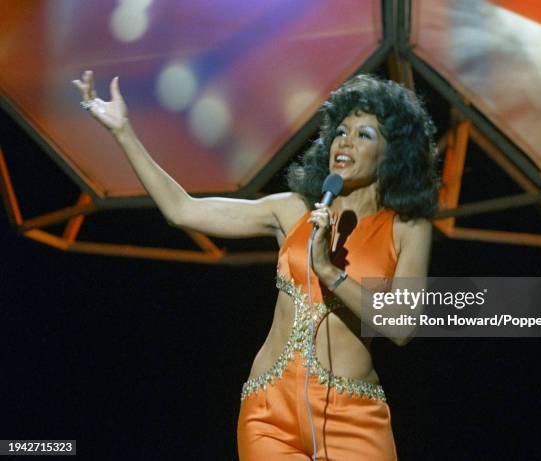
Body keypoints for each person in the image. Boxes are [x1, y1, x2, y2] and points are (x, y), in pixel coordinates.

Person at [73, 71, 439, 460]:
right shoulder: (293, 209)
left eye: (364, 134)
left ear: (393, 153)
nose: (345, 142)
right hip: (270, 417)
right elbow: (183, 211)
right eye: (341, 131)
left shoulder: (407, 228)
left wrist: (329, 271)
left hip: (354, 420)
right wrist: (123, 132)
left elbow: (402, 327)